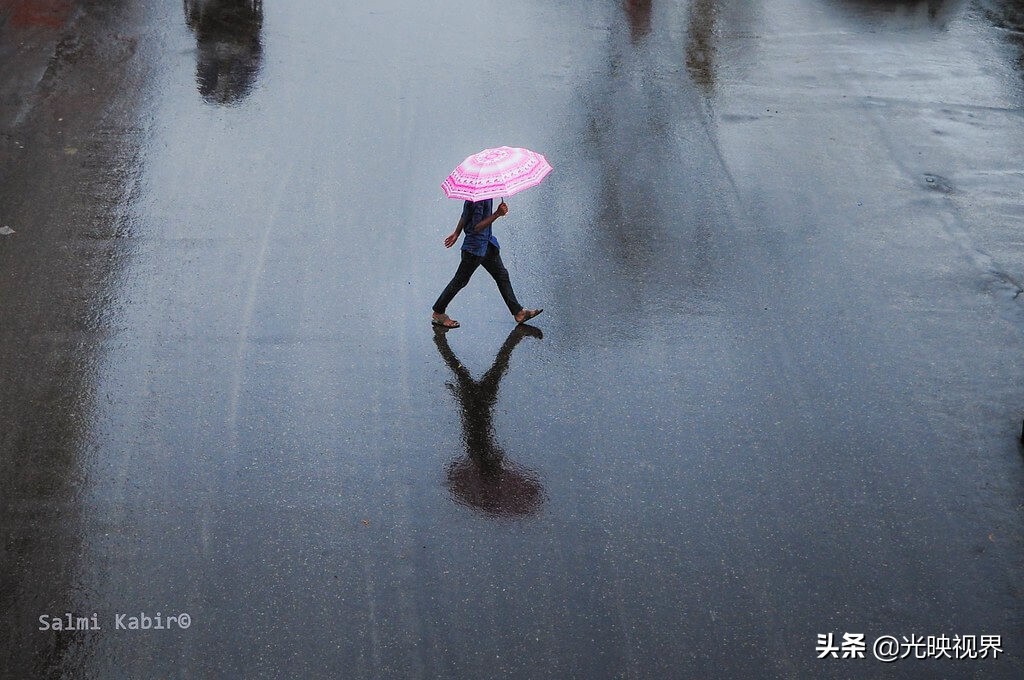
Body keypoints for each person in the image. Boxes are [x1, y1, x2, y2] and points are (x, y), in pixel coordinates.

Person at [431, 198, 542, 329]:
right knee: (460, 280)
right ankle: (438, 312)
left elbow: (465, 214)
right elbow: (476, 227)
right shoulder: (479, 199)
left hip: (487, 244)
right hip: (475, 249)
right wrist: (497, 214)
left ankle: (519, 313)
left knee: (502, 275)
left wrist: (457, 233)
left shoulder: (479, 194)